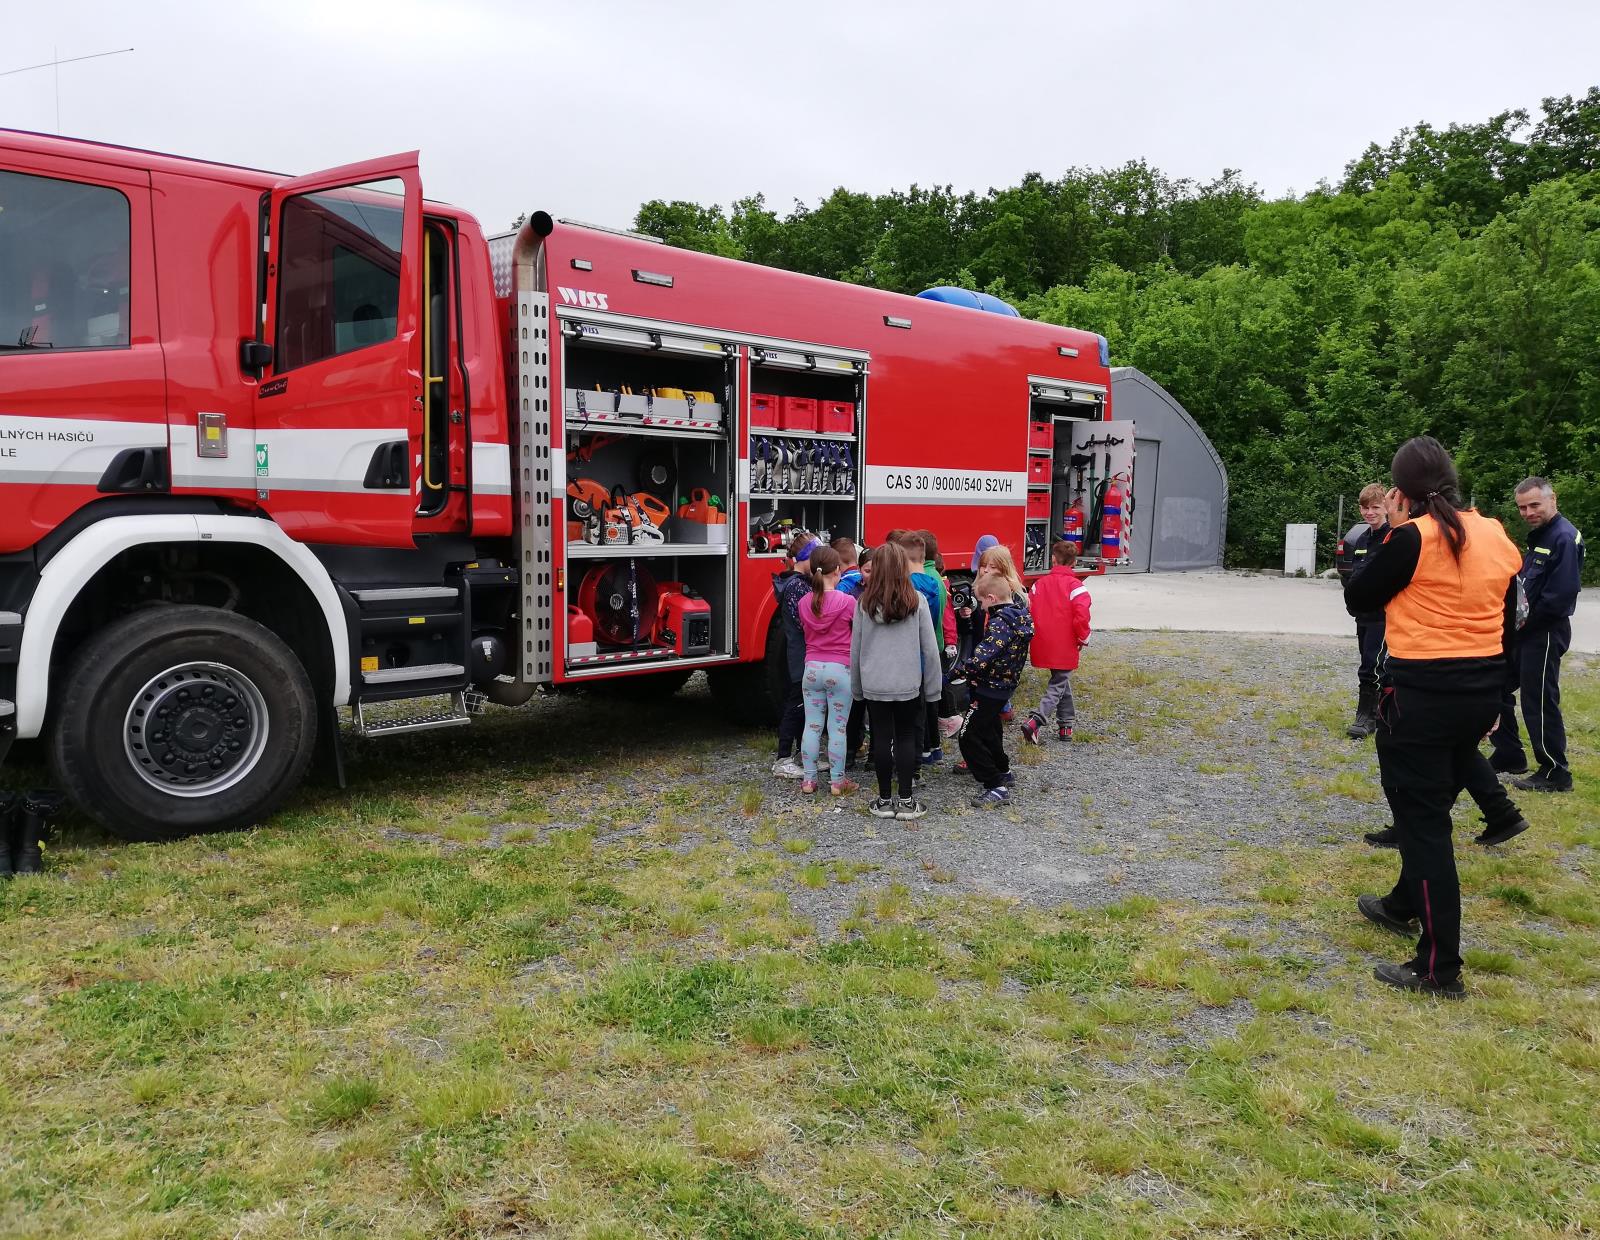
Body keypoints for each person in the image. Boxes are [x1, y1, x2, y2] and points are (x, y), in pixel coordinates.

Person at [1345, 436, 1522, 999]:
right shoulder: (1494, 532)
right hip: (1478, 692)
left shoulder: (1410, 539)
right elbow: (1508, 617)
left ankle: (1437, 967)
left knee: (1424, 829)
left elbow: (1359, 595)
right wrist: (1498, 697)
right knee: (1431, 806)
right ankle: (1402, 904)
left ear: (1401, 493)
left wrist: (1392, 529)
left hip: (1420, 696)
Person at [1490, 477, 1585, 793]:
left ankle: (1555, 772)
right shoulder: (1540, 536)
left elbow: (1560, 596)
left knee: (1539, 701)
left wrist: (1525, 624)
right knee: (1494, 683)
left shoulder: (1564, 537)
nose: (1528, 512)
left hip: (1543, 633)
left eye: (1534, 505)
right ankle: (1509, 754)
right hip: (1523, 632)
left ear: (1552, 499)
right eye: (1522, 507)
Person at [851, 540, 941, 821]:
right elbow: (929, 649)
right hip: (907, 683)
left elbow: (855, 649)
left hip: (874, 683)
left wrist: (856, 688)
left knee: (880, 738)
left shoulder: (864, 604)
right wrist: (933, 690)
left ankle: (883, 800)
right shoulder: (917, 602)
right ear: (904, 569)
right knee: (905, 737)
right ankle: (906, 800)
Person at [955, 572, 1034, 808]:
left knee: (967, 736)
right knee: (989, 730)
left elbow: (982, 658)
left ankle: (994, 785)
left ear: (991, 598)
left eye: (981, 601)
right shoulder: (1020, 617)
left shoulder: (1000, 623)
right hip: (1004, 687)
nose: (980, 606)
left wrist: (955, 673)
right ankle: (1003, 769)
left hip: (989, 687)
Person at [797, 545, 859, 797]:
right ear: (837, 571)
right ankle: (837, 781)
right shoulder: (848, 602)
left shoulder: (803, 602)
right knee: (837, 728)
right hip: (840, 669)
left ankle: (809, 780)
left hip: (811, 668)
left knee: (811, 725)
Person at [1021, 541, 1091, 744]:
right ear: (1075, 562)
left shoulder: (1038, 585)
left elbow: (1030, 611)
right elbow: (1082, 616)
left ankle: (1065, 725)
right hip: (1065, 643)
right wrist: (1083, 637)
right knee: (1059, 682)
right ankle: (1036, 720)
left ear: (1053, 559)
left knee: (1061, 679)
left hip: (1043, 641)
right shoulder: (1076, 587)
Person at [1337, 483, 1389, 739]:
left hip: (1384, 616)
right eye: (1365, 507)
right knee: (1371, 662)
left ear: (1386, 508)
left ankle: (1367, 717)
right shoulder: (1361, 539)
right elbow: (1353, 577)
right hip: (1363, 616)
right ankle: (1380, 713)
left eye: (1375, 507)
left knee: (1372, 666)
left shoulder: (1393, 538)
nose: (1370, 512)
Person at [770, 532, 817, 780]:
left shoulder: (797, 583)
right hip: (801, 654)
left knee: (806, 706)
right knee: (795, 705)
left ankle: (803, 754)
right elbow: (805, 622)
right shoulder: (797, 586)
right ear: (805, 558)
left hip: (803, 653)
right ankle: (783, 758)